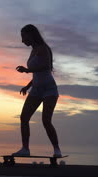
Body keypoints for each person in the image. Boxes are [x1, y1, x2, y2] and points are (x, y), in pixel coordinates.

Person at [13, 24, 62, 158]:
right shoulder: (33, 50)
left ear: (31, 35)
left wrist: (27, 70)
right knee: (24, 118)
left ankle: (57, 149)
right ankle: (25, 149)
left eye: (24, 37)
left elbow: (46, 67)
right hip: (36, 89)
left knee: (46, 120)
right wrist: (28, 86)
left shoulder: (43, 49)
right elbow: (38, 74)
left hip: (50, 89)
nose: (22, 40)